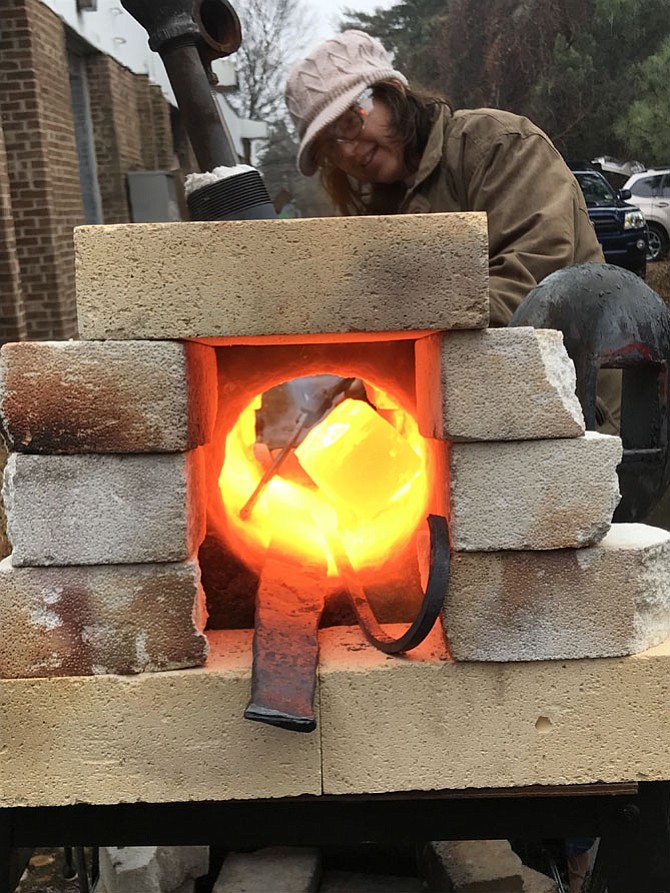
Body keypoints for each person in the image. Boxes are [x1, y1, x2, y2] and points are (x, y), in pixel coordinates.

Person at [285, 29, 619, 433]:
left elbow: (534, 291)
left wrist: (393, 348)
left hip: (584, 409)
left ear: (392, 92)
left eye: (351, 122)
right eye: (330, 148)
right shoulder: (382, 213)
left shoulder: (499, 145)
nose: (348, 152)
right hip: (485, 417)